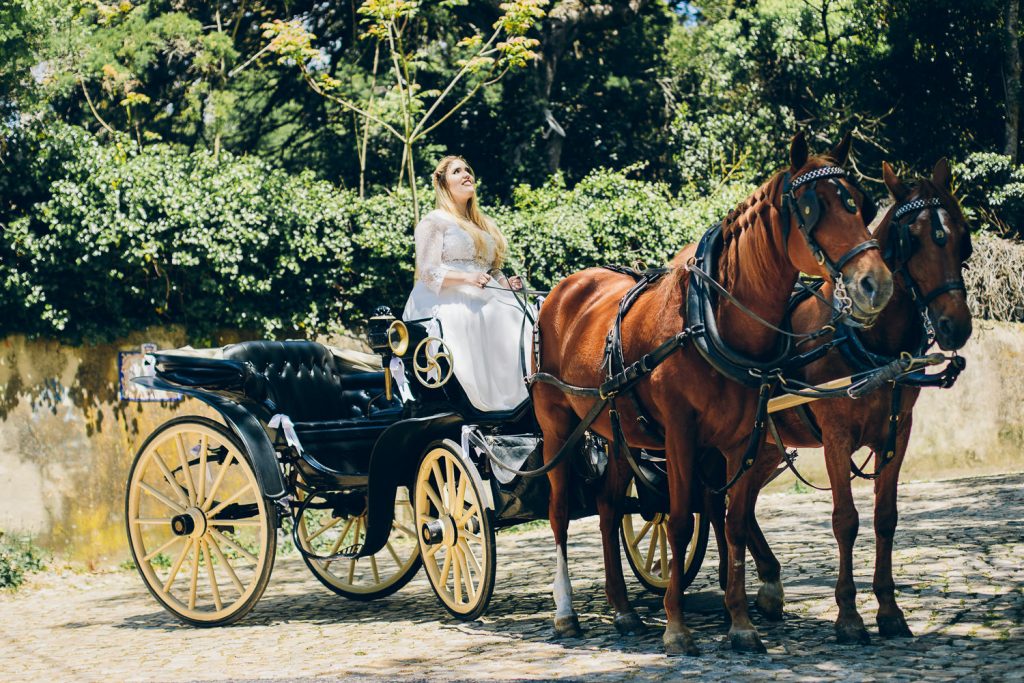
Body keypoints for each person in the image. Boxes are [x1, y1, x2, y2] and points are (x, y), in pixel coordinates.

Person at [402, 155, 532, 411]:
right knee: (488, 316)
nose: (466, 175)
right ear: (443, 183)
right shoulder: (434, 222)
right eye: (457, 171)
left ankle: (527, 398)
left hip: (486, 291)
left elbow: (488, 269)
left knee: (523, 316)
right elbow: (428, 272)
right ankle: (492, 407)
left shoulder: (481, 225)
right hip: (445, 295)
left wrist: (505, 283)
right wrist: (467, 279)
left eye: (467, 170)